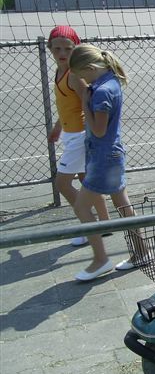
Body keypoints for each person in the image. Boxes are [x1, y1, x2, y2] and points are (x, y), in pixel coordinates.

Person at [68, 45, 143, 281]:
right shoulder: (110, 82)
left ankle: (100, 259)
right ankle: (142, 252)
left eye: (83, 75)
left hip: (103, 158)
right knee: (123, 206)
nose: (82, 80)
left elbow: (98, 131)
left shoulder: (100, 92)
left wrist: (83, 102)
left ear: (90, 68)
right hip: (110, 156)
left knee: (81, 207)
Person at [47, 26, 110, 248]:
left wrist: (95, 131)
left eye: (68, 48)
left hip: (81, 136)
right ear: (50, 49)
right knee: (87, 181)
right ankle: (104, 223)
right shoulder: (59, 73)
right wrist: (58, 127)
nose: (62, 53)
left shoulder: (74, 76)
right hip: (70, 133)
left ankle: (88, 224)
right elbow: (68, 107)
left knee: (62, 183)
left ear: (77, 48)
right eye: (57, 48)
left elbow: (90, 100)